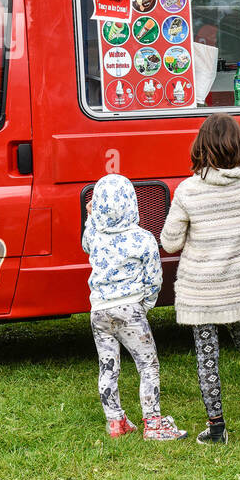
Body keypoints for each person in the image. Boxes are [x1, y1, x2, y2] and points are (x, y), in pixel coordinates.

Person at [160, 115, 240, 443]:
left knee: (207, 354)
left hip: (202, 289)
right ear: (239, 145)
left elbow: (170, 241)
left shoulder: (189, 190)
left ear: (201, 146)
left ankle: (216, 427)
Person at [82, 174, 185, 441]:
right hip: (130, 309)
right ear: (132, 202)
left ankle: (115, 421)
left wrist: (91, 217)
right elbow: (154, 277)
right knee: (148, 365)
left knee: (108, 366)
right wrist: (146, 305)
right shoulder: (143, 238)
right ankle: (153, 423)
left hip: (99, 311)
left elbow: (85, 243)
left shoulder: (96, 236)